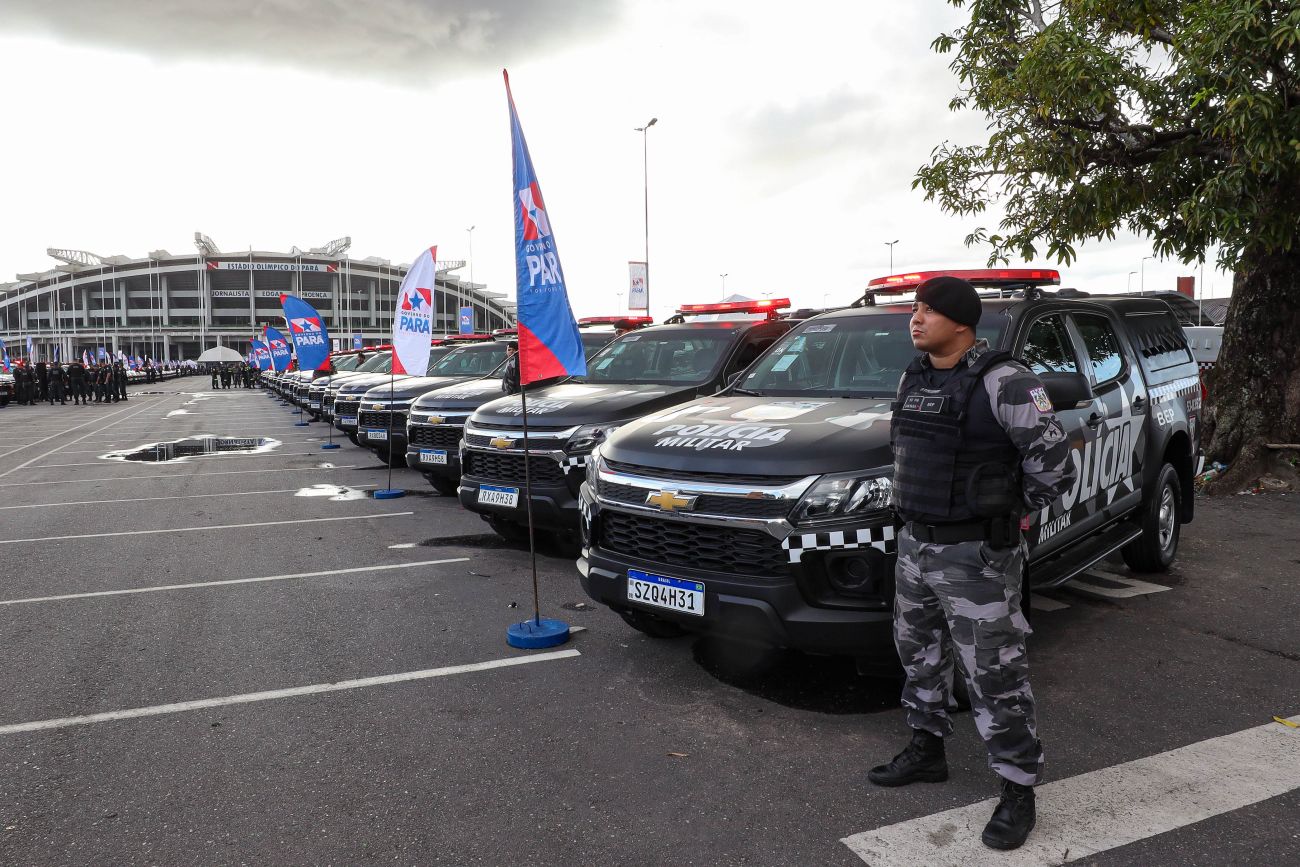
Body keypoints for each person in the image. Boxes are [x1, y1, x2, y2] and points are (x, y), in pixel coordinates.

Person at [869, 276, 1076, 852]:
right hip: (916, 546)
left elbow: (1055, 467)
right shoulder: (914, 376)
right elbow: (904, 451)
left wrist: (1003, 518)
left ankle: (1018, 787)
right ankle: (927, 749)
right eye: (915, 309)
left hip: (976, 558)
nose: (915, 319)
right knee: (919, 655)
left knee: (994, 672)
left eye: (928, 310)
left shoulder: (1006, 381)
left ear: (961, 323)